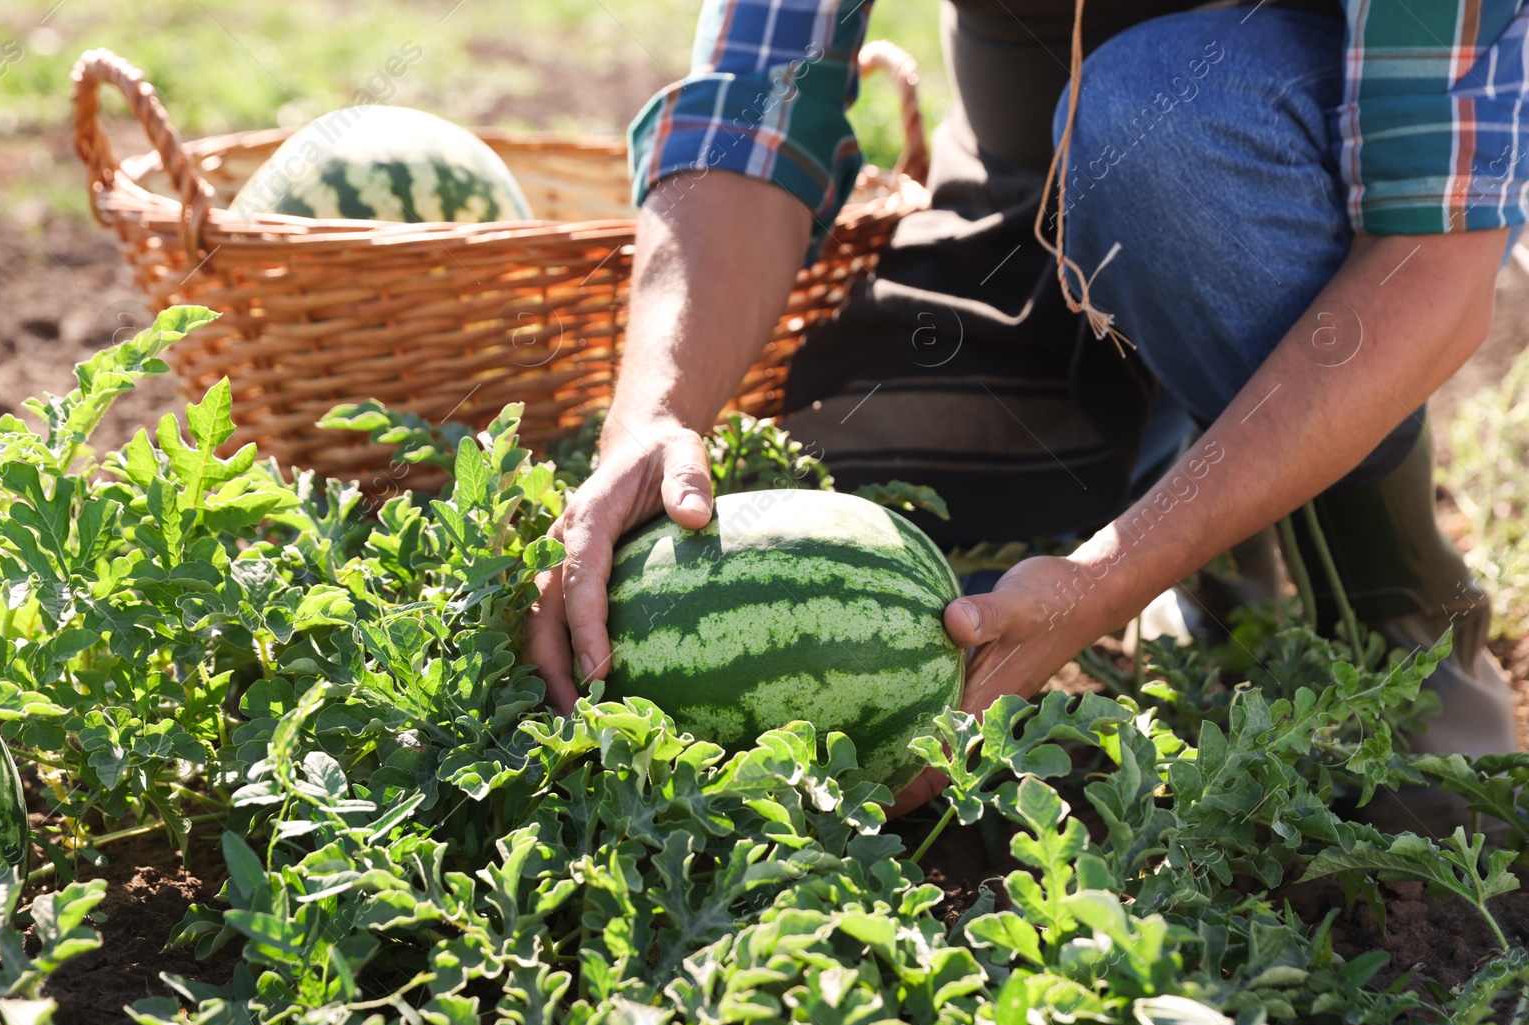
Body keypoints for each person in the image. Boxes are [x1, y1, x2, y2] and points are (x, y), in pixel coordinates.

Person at [527, 0, 1525, 819]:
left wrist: (1111, 575)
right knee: (901, 497)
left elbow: (1428, 260)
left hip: (1241, 146)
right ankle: (1211, 518)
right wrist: (653, 418)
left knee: (1158, 132)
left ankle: (1400, 629)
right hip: (1028, 175)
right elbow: (756, 102)